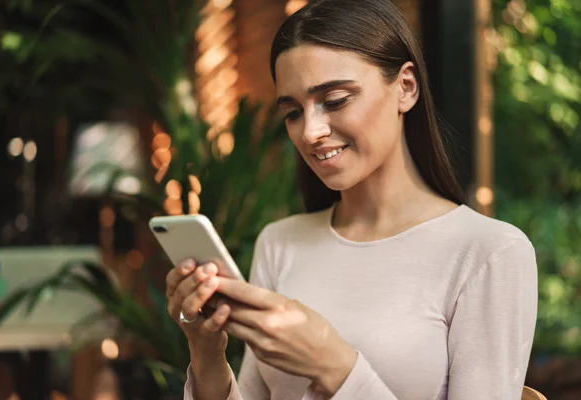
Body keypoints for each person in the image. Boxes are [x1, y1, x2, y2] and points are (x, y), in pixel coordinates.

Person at [165, 0, 538, 399]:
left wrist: (335, 367)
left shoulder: (488, 253)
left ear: (406, 88)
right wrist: (206, 353)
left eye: (336, 99)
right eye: (293, 112)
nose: (310, 132)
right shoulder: (280, 243)